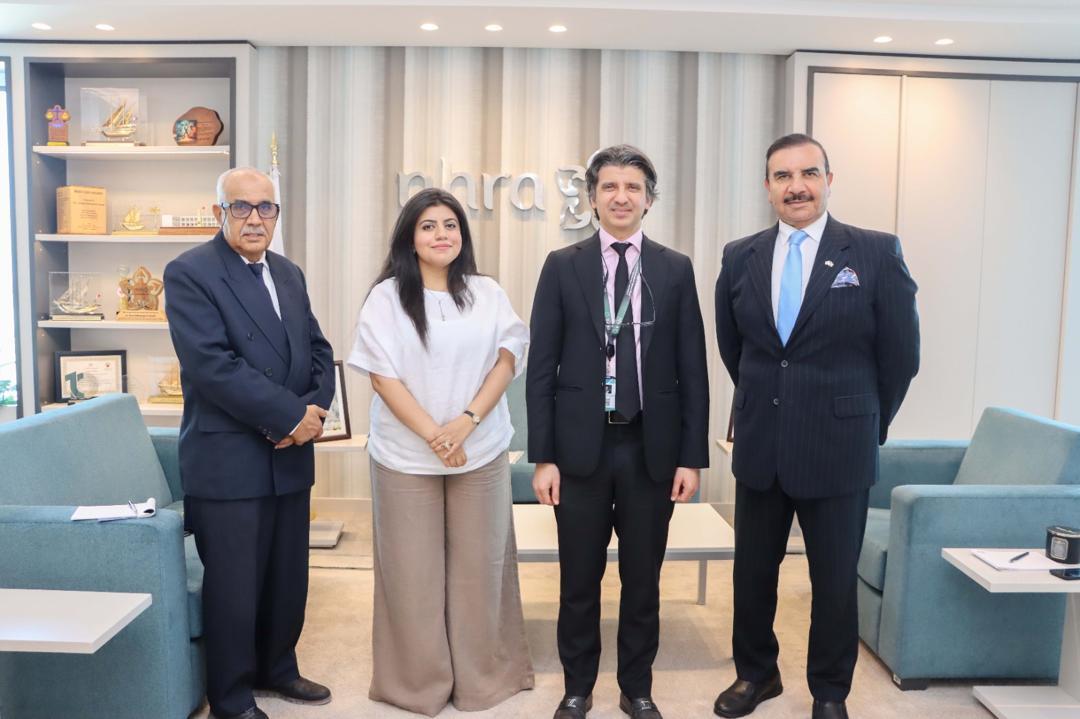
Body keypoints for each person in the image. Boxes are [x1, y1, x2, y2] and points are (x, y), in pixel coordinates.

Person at [713, 134, 920, 719]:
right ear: (767, 187)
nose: (796, 186)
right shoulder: (740, 256)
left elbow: (901, 356)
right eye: (782, 176)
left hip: (839, 447)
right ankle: (756, 675)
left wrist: (867, 421)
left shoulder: (875, 251)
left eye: (808, 173)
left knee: (832, 582)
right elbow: (735, 349)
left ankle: (830, 691)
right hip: (761, 446)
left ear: (829, 180)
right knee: (753, 575)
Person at [527, 145, 709, 719]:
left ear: (649, 200)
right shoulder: (563, 265)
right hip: (580, 450)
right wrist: (543, 456)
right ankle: (577, 687)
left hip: (650, 449)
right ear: (592, 198)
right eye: (609, 186)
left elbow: (693, 369)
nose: (621, 197)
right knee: (579, 580)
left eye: (633, 187)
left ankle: (637, 688)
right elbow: (541, 368)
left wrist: (691, 457)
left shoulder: (675, 269)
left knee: (643, 581)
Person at [348, 187, 534, 717]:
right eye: (428, 226)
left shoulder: (486, 291)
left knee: (481, 568)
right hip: (404, 457)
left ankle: (483, 680)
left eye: (450, 224)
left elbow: (507, 359)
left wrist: (465, 423)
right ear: (410, 238)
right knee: (411, 574)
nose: (441, 234)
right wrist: (435, 434)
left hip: (480, 450)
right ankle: (416, 686)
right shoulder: (386, 298)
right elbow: (382, 376)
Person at [164, 167, 336, 719]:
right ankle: (232, 696)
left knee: (287, 577)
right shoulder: (190, 272)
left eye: (266, 207)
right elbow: (213, 367)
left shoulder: (288, 272)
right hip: (229, 457)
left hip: (291, 455)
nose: (255, 218)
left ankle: (277, 668)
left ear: (276, 215)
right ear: (220, 212)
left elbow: (317, 349)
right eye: (241, 207)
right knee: (235, 585)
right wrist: (288, 417)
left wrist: (314, 411)